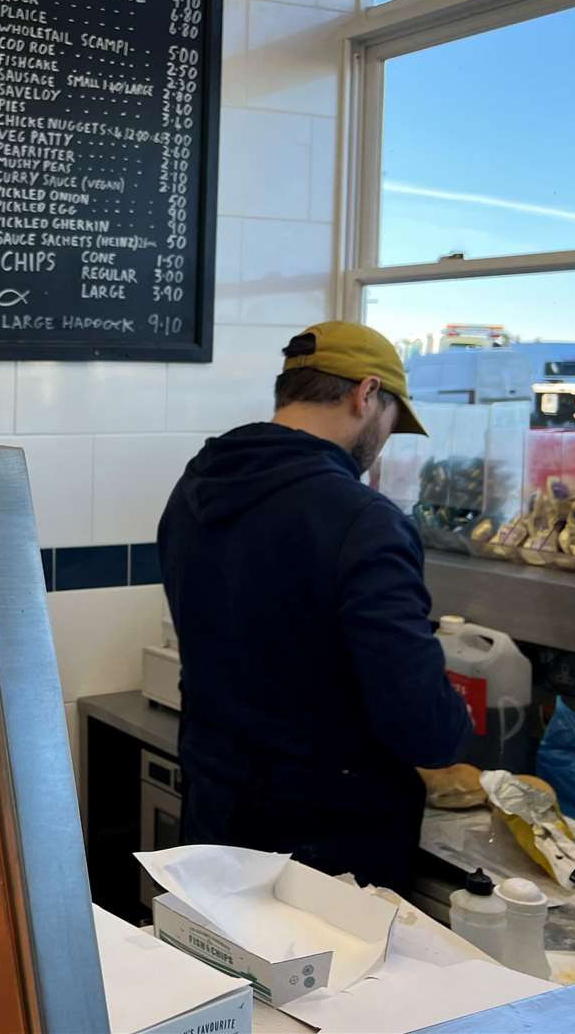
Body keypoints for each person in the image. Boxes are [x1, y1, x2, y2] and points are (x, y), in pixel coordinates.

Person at [156, 321, 471, 892]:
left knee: (223, 978)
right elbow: (423, 727)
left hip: (214, 811)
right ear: (366, 393)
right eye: (392, 419)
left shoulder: (196, 487)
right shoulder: (363, 523)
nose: (385, 438)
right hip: (327, 853)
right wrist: (458, 719)